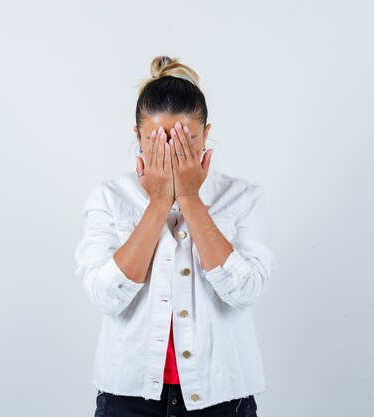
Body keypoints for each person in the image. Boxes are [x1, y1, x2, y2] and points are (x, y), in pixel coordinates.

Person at [74, 56, 278, 417]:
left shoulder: (243, 196)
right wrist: (157, 204)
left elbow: (246, 292)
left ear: (206, 133)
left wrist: (189, 198)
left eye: (187, 139)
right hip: (129, 398)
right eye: (159, 141)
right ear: (137, 136)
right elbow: (106, 297)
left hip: (222, 396)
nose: (173, 151)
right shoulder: (109, 197)